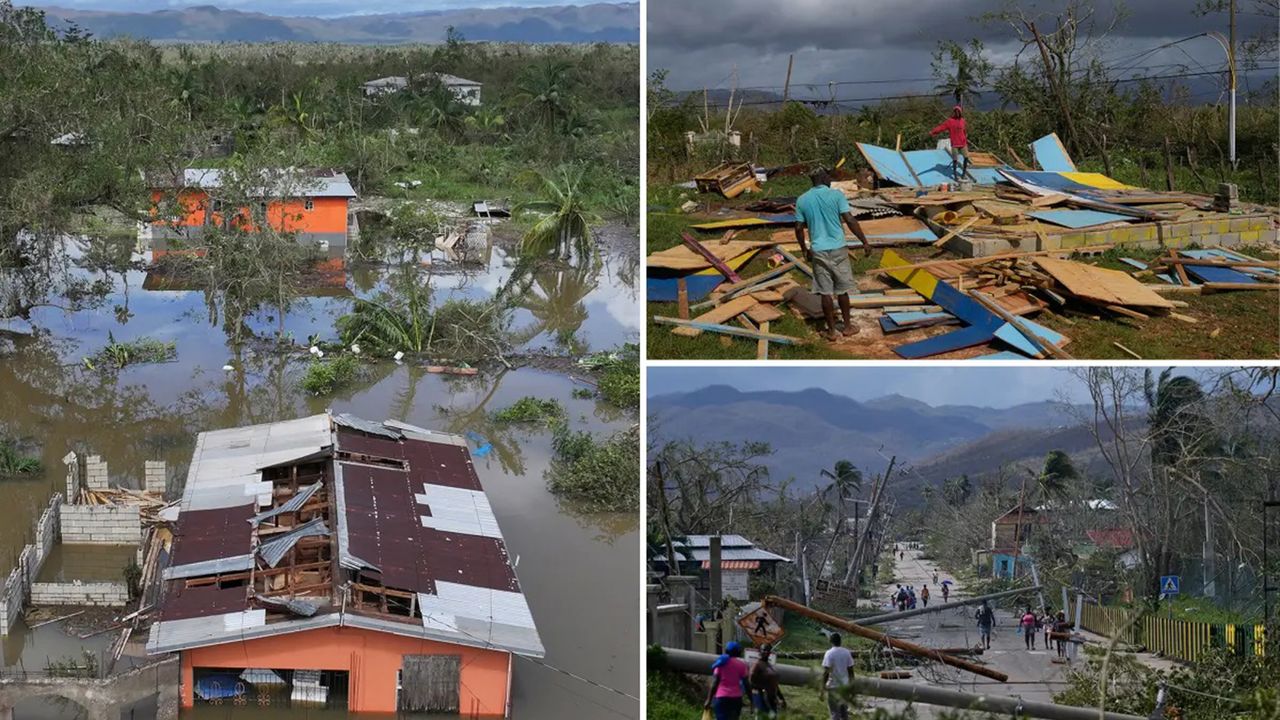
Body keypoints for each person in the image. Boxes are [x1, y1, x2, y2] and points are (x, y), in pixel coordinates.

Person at [794, 168, 871, 342]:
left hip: (818, 250)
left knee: (825, 292)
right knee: (843, 290)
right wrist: (864, 241)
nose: (830, 180)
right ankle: (847, 327)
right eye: (828, 177)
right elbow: (850, 219)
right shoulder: (836, 195)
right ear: (823, 179)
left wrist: (804, 249)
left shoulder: (802, 200)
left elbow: (798, 228)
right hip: (838, 248)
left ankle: (831, 332)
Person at [705, 641, 750, 720]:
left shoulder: (721, 663)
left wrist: (709, 699)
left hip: (722, 698)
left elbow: (715, 682)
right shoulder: (742, 665)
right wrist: (752, 701)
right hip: (736, 699)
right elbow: (746, 684)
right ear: (738, 652)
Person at [930, 105, 971, 180]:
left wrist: (965, 137)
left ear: (960, 112)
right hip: (955, 143)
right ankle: (955, 175)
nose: (957, 113)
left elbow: (964, 131)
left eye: (958, 112)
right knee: (955, 160)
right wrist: (933, 132)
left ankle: (963, 173)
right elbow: (941, 127)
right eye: (956, 112)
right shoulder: (950, 121)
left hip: (963, 143)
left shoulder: (963, 120)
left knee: (966, 157)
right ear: (954, 112)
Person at [821, 633, 854, 720]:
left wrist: (822, 688)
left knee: (835, 713)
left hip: (833, 686)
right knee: (844, 712)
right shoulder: (846, 652)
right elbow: (851, 671)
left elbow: (826, 673)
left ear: (830, 641)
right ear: (840, 641)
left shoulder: (829, 653)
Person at [750, 644, 784, 719]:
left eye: (767, 650)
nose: (765, 652)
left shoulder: (769, 665)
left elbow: (774, 683)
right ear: (760, 651)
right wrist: (762, 689)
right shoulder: (757, 665)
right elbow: (751, 681)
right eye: (764, 650)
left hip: (772, 698)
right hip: (761, 697)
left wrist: (781, 697)